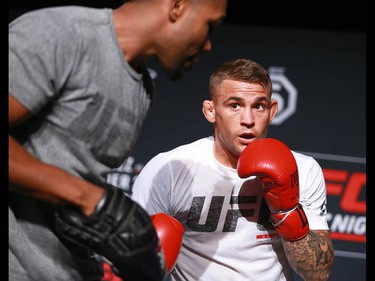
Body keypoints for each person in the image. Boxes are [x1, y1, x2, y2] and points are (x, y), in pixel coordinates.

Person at [8, 0, 227, 280]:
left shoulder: (142, 89)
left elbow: (78, 193)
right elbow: (85, 195)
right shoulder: (61, 34)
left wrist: (101, 265)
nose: (208, 45)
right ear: (177, 7)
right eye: (210, 25)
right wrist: (85, 196)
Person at [131, 58, 335, 281]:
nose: (248, 120)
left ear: (273, 111)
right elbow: (133, 264)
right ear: (210, 111)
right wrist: (150, 261)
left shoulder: (302, 170)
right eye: (234, 105)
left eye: (258, 106)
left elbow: (318, 273)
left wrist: (287, 211)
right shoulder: (169, 170)